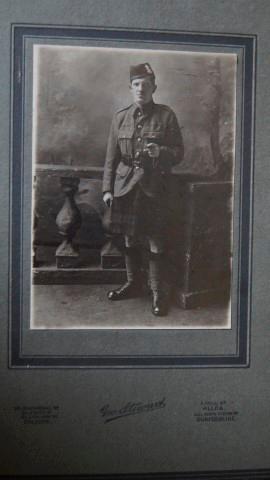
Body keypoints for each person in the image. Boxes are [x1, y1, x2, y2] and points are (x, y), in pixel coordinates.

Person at [102, 62, 184, 316]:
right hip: (125, 186)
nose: (141, 89)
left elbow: (179, 153)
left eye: (146, 85)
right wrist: (107, 189)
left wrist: (162, 152)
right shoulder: (120, 117)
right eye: (136, 85)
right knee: (128, 237)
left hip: (155, 187)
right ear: (130, 88)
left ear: (154, 88)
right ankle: (133, 283)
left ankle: (158, 292)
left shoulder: (166, 115)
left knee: (155, 239)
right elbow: (110, 158)